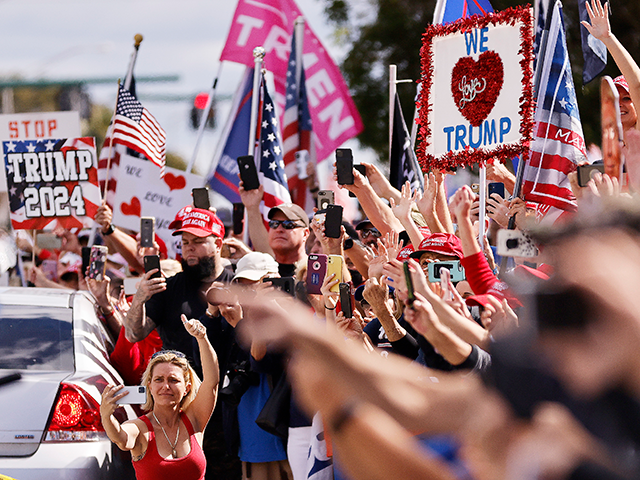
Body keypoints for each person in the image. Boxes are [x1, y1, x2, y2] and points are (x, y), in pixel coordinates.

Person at [100, 315, 219, 480]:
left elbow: (212, 381)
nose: (166, 386)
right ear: (149, 386)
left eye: (173, 380)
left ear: (187, 388)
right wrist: (106, 416)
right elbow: (121, 438)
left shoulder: (194, 419)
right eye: (158, 379)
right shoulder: (140, 428)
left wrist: (202, 337)